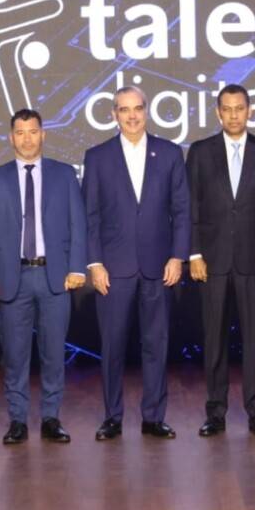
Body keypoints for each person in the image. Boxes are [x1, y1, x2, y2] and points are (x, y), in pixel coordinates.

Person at [82, 87, 190, 441]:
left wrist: (177, 256)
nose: (132, 116)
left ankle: (153, 417)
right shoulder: (97, 157)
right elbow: (90, 216)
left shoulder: (170, 153)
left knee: (156, 344)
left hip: (159, 267)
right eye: (124, 109)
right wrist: (95, 263)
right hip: (113, 269)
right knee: (112, 347)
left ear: (147, 111)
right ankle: (112, 417)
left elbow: (181, 210)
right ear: (114, 114)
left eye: (138, 108)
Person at [0, 109, 86, 445]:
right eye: (20, 132)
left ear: (43, 135)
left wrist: (77, 267)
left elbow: (78, 224)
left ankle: (51, 418)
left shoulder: (64, 174)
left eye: (33, 132)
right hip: (13, 277)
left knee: (53, 353)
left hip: (55, 276)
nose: (27, 139)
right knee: (15, 354)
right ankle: (17, 421)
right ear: (11, 137)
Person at [187, 84, 255, 437]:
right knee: (214, 340)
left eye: (239, 108)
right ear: (218, 112)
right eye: (227, 109)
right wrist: (194, 253)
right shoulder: (200, 152)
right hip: (211, 260)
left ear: (250, 111)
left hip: (254, 259)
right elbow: (190, 206)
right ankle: (215, 412)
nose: (233, 115)